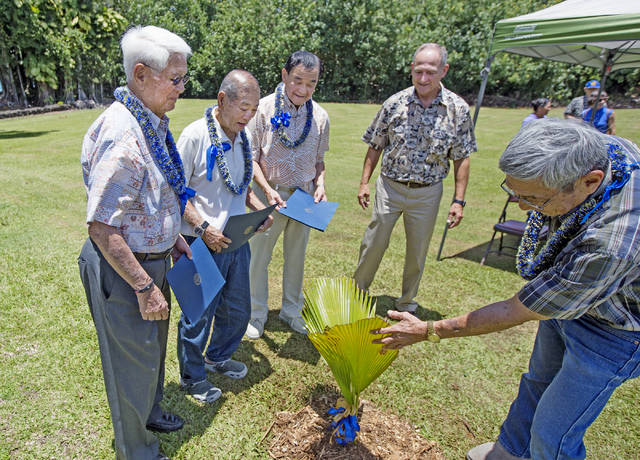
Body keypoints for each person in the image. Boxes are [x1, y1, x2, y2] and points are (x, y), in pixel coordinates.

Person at [373, 118, 640, 460]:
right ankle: (510, 453)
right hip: (569, 300)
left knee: (553, 431)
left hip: (614, 331)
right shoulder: (605, 152)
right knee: (536, 383)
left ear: (590, 182)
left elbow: (516, 310)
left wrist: (428, 330)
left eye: (533, 198)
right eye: (514, 192)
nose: (523, 207)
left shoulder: (608, 245)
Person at [78, 25, 193, 460]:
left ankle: (151, 410)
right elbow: (103, 228)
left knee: (151, 351)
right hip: (126, 269)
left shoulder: (149, 121)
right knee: (131, 363)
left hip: (153, 257)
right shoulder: (124, 136)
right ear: (141, 75)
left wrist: (173, 238)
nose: (182, 89)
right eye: (176, 79)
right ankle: (137, 450)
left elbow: (150, 196)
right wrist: (144, 287)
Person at [353, 43, 476, 314]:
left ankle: (407, 303)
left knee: (417, 252)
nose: (423, 78)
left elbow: (462, 157)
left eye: (430, 72)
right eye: (418, 71)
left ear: (443, 70)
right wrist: (364, 182)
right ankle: (357, 294)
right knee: (373, 243)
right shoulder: (394, 103)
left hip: (428, 192)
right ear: (411, 69)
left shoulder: (458, 109)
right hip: (390, 187)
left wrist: (459, 201)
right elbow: (376, 144)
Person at [176, 70, 273, 401]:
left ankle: (217, 357)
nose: (249, 116)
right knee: (197, 316)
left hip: (235, 239)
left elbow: (240, 184)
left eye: (254, 109)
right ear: (221, 100)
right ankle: (192, 377)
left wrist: (259, 211)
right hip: (199, 242)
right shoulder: (194, 137)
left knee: (237, 310)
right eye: (243, 107)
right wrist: (203, 228)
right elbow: (176, 194)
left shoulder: (242, 137)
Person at [245, 50, 330, 338]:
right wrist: (267, 190)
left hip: (304, 198)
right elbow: (252, 158)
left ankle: (291, 310)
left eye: (311, 83)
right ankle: (256, 313)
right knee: (259, 258)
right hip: (269, 195)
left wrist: (320, 184)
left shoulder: (320, 115)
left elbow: (319, 161)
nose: (303, 90)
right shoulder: (262, 109)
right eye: (297, 81)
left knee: (297, 256)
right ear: (284, 76)